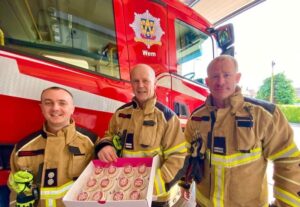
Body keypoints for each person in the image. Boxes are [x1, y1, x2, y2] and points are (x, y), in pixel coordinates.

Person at [183, 55, 300, 206]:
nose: (220, 81)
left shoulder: (264, 115)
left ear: (237, 77)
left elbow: (288, 161)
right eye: (215, 76)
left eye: (226, 75)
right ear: (207, 82)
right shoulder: (196, 118)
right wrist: (184, 183)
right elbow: (188, 156)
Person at [95, 64, 188, 207]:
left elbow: (179, 156)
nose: (141, 85)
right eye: (136, 81)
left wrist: (154, 186)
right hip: (124, 191)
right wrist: (105, 146)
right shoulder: (120, 114)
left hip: (156, 197)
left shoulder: (167, 117)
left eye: (146, 81)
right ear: (131, 84)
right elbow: (109, 136)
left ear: (155, 84)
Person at [8, 86, 97, 207]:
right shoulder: (23, 148)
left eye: (62, 103)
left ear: (72, 109)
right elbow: (15, 190)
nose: (55, 108)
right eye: (48, 103)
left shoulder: (91, 142)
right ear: (42, 108)